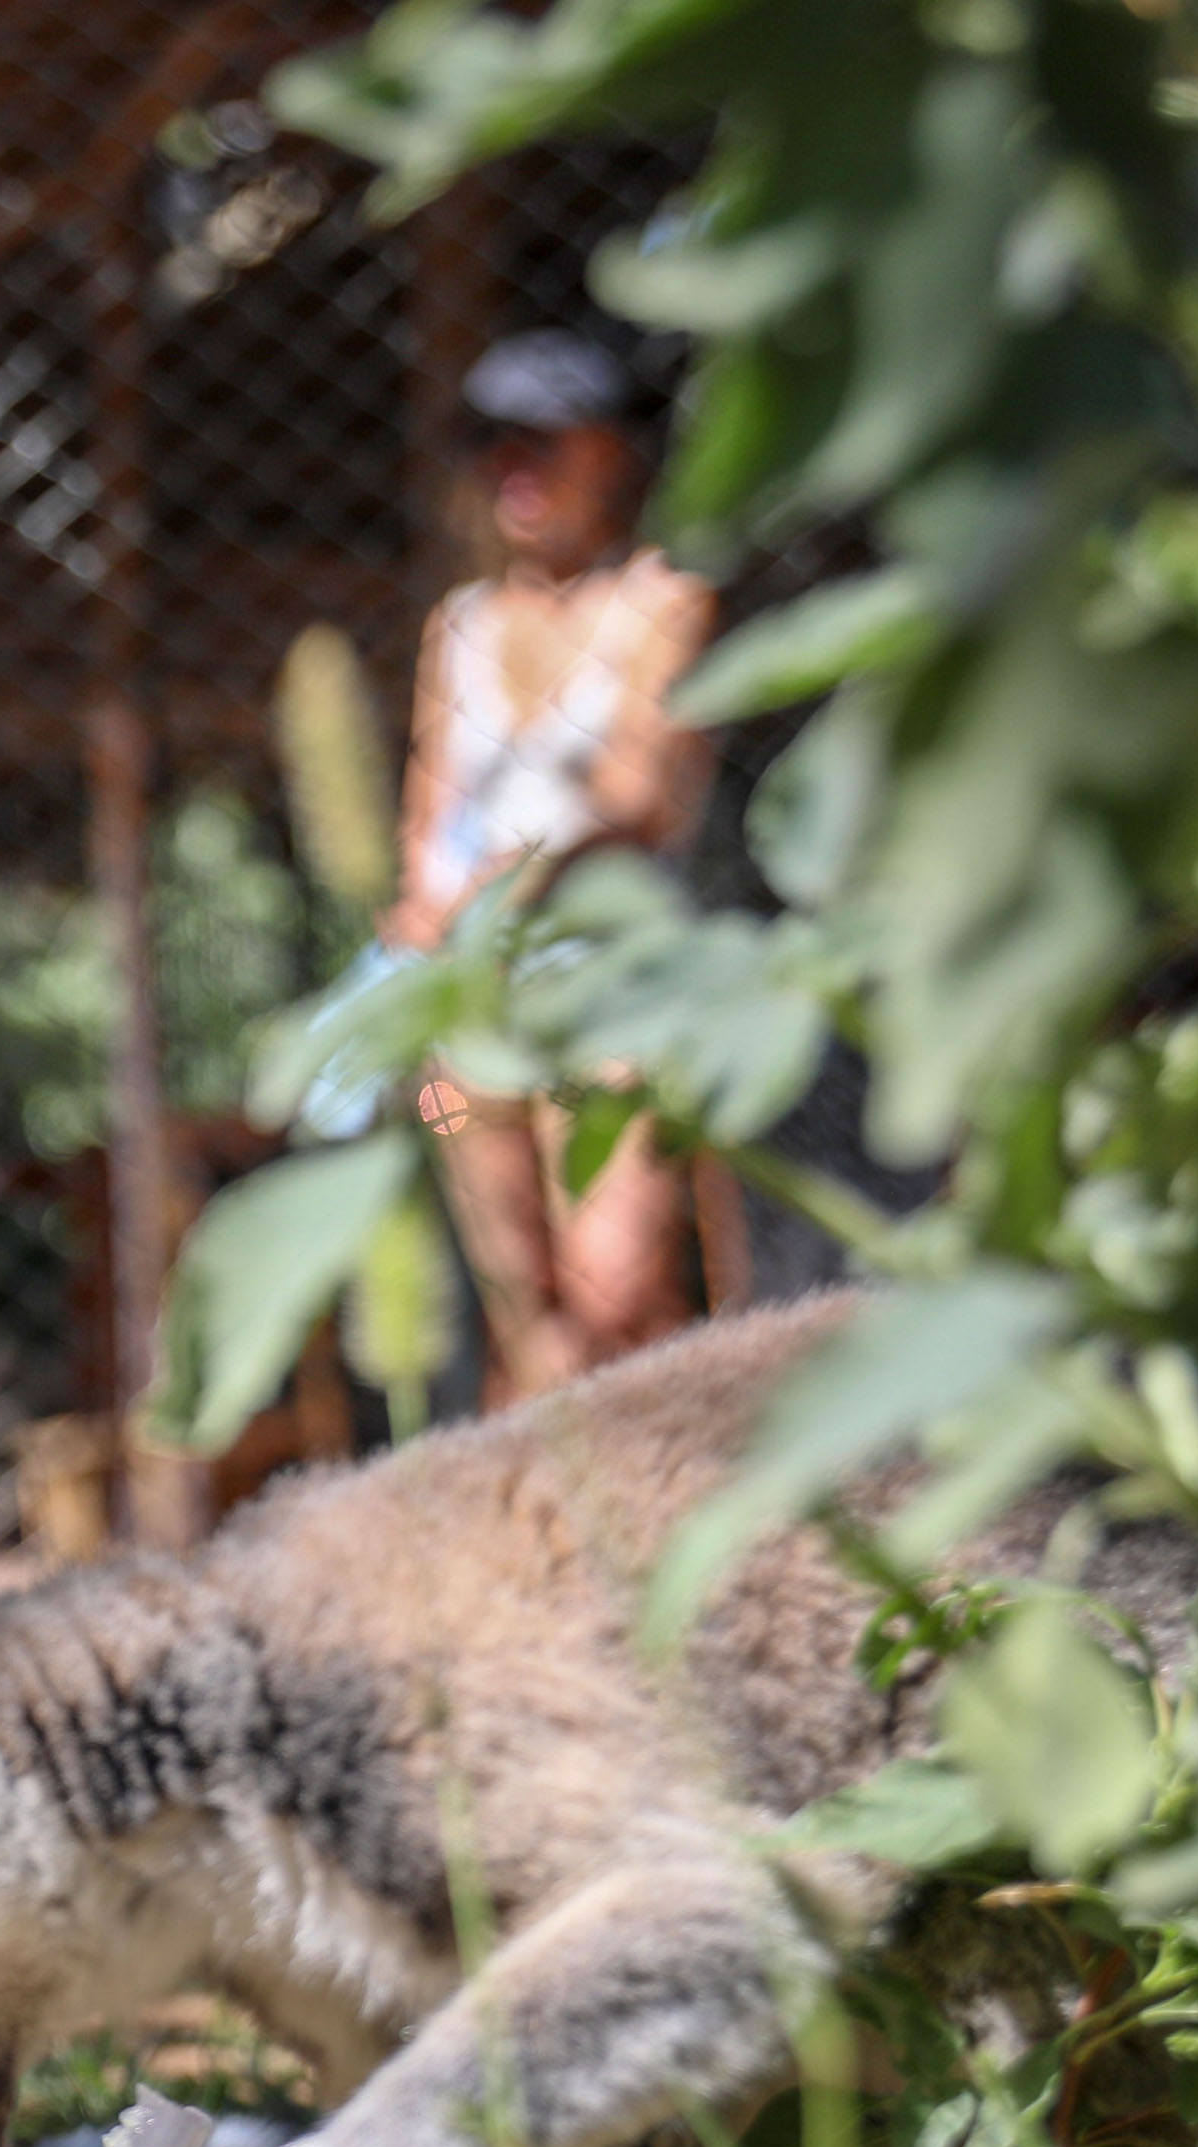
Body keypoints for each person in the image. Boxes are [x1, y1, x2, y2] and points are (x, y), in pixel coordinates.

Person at [385, 331, 720, 1405]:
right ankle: (560, 1552)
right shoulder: (461, 627)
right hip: (471, 1022)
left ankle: (667, 1522)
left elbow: (635, 796)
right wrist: (416, 925)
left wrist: (505, 883)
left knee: (614, 1284)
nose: (511, 472)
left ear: (611, 451)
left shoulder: (665, 601)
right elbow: (428, 803)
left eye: (540, 443)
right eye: (490, 445)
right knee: (519, 1293)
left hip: (621, 998)